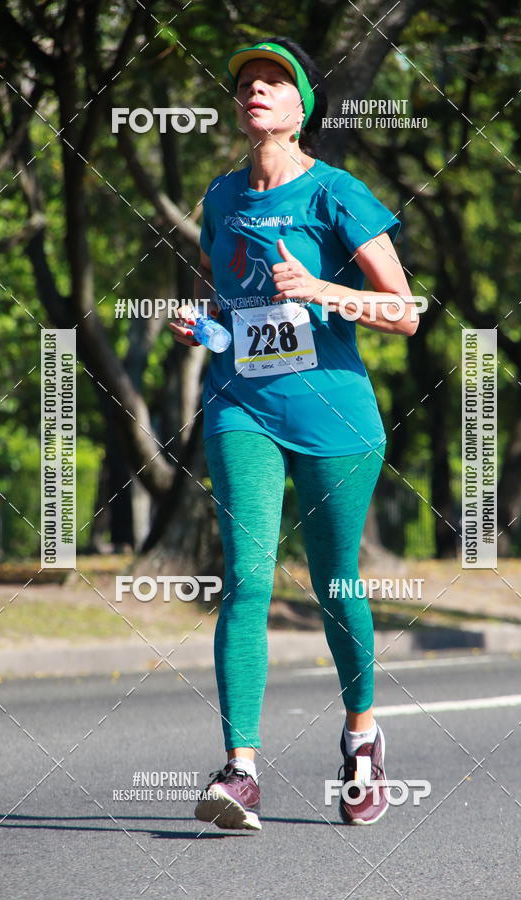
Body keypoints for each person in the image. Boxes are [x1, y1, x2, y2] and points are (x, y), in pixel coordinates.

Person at [168, 37, 419, 831]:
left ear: (300, 104)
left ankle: (362, 737)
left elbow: (406, 313)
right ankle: (240, 771)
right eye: (246, 81)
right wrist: (201, 326)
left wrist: (321, 287)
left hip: (335, 418)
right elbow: (233, 311)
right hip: (241, 407)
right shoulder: (221, 197)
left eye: (274, 80)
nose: (257, 90)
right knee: (244, 577)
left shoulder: (335, 193)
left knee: (334, 584)